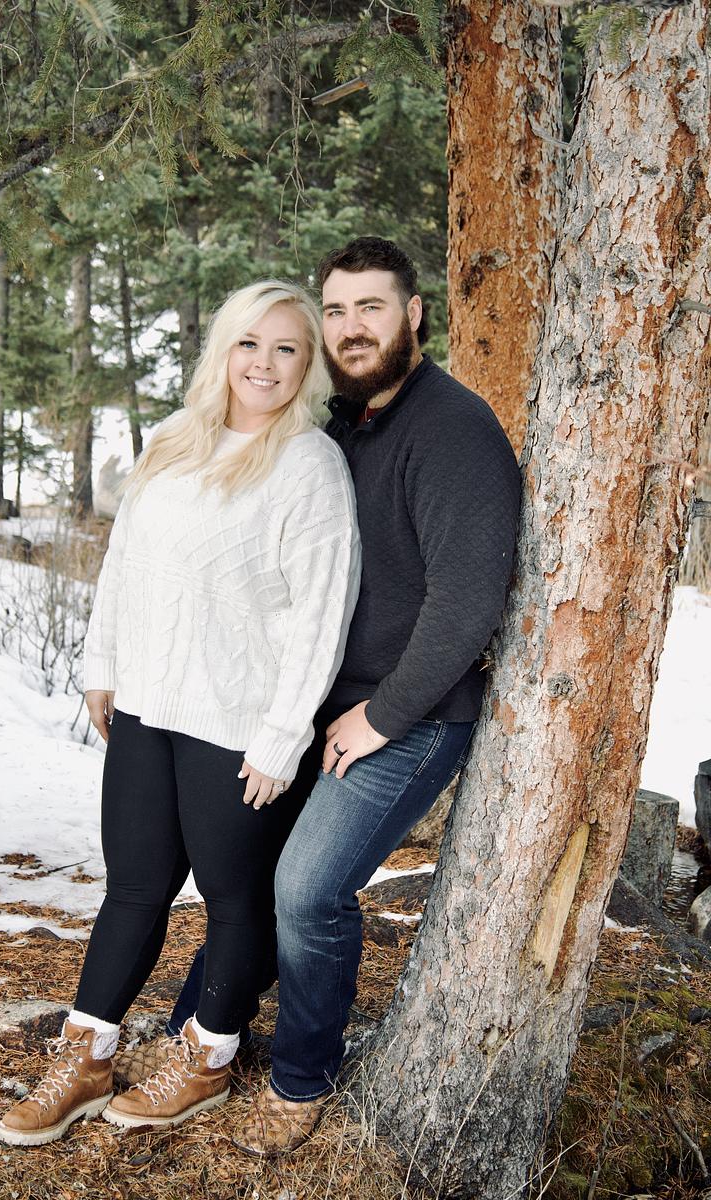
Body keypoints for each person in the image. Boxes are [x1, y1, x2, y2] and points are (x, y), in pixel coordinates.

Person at [155, 237, 522, 1155]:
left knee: (309, 886)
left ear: (414, 315)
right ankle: (204, 1027)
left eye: (373, 308)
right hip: (316, 704)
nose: (353, 328)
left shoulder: (452, 430)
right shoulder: (338, 427)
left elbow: (468, 602)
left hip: (412, 714)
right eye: (338, 311)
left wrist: (382, 716)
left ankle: (302, 1076)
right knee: (245, 869)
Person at [0, 280, 361, 1147]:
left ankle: (207, 1060)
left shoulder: (308, 464)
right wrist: (102, 665)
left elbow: (324, 612)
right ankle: (86, 1059)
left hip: (239, 726)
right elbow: (123, 562)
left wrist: (283, 735)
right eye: (249, 344)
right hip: (147, 708)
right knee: (132, 890)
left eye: (286, 349)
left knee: (235, 901)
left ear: (307, 366)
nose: (264, 364)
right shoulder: (172, 439)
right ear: (222, 350)